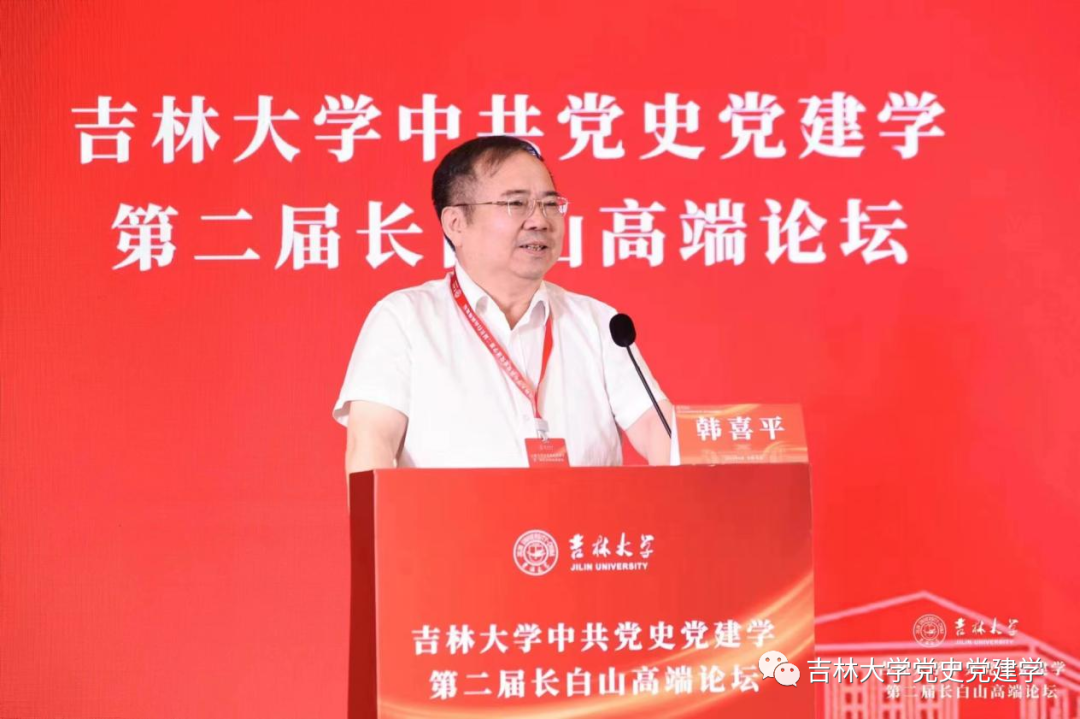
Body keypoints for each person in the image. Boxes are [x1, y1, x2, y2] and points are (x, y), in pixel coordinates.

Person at [334, 136, 671, 472]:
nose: (540, 220)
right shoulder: (405, 319)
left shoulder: (599, 323)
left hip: (584, 511)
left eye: (550, 204)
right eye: (516, 204)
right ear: (456, 224)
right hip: (452, 511)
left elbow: (656, 427)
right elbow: (371, 445)